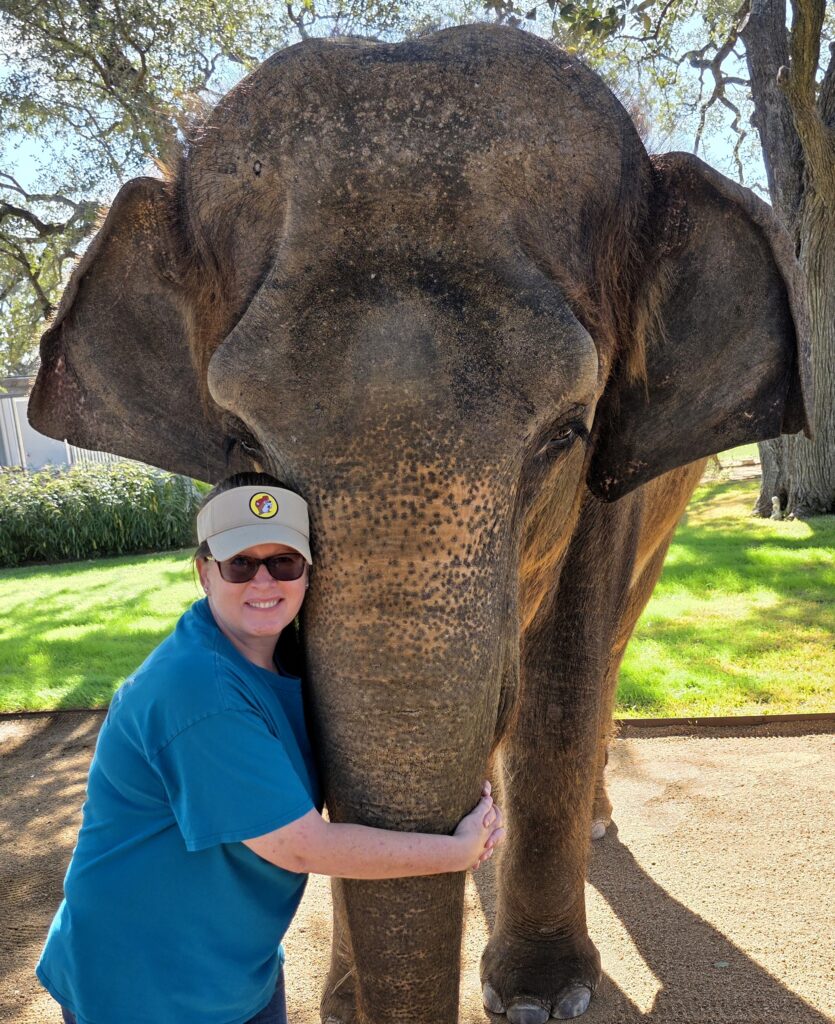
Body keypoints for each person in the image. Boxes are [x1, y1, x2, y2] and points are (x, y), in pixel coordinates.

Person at [36, 473, 505, 1024]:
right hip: (147, 984)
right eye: (241, 563)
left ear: (308, 572)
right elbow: (300, 845)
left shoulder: (283, 661)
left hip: (234, 966)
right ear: (204, 571)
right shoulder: (199, 691)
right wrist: (456, 853)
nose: (264, 580)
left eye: (284, 562)